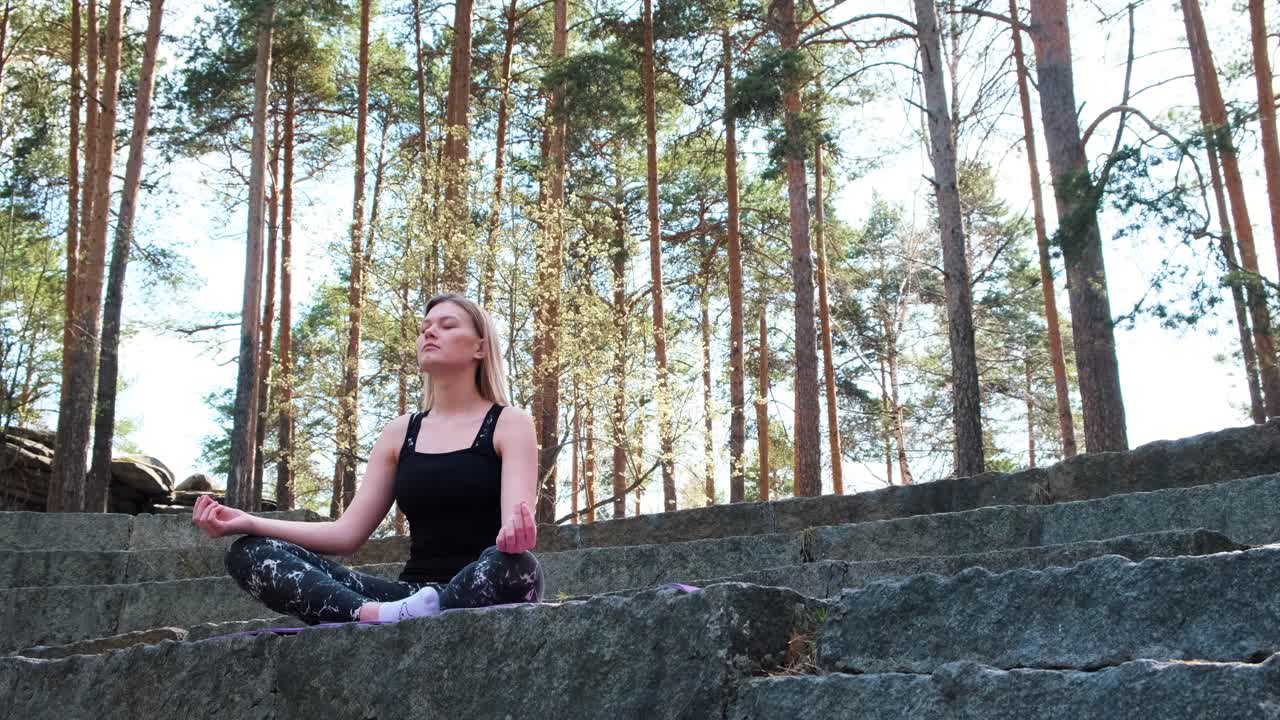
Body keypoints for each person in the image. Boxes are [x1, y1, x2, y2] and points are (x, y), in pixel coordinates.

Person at [193, 292, 544, 625]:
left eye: (447, 325)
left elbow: (514, 529)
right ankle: (371, 616)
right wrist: (249, 522)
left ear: (480, 347)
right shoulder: (400, 432)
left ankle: (415, 613)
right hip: (407, 597)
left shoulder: (509, 423)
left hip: (480, 582)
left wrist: (515, 537)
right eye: (425, 329)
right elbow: (346, 535)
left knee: (516, 565)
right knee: (250, 552)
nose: (430, 332)